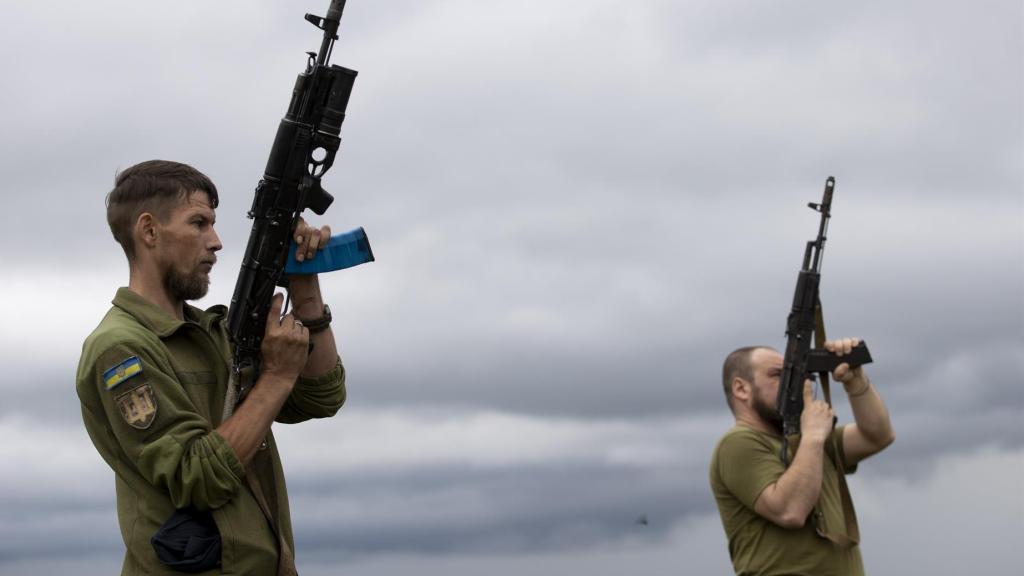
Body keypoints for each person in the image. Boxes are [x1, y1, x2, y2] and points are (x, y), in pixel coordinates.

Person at [77, 160, 346, 575]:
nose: (216, 241)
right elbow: (195, 476)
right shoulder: (121, 348)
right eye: (199, 223)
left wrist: (304, 284)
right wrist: (275, 376)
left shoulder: (213, 334)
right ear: (149, 231)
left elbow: (321, 395)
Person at [710, 339, 895, 575]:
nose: (795, 384)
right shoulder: (738, 443)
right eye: (778, 375)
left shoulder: (807, 443)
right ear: (741, 389)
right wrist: (814, 436)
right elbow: (790, 510)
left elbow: (877, 436)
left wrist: (855, 380)